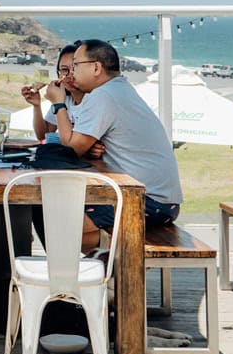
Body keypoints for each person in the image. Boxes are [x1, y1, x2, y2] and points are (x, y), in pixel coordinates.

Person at [44, 39, 183, 252]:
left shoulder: (104, 95)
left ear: (96, 67)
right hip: (157, 198)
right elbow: (83, 142)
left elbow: (70, 149)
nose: (72, 72)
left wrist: (58, 103)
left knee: (57, 218)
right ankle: (107, 259)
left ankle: (116, 255)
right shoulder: (119, 89)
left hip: (148, 201)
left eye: (76, 65)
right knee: (58, 221)